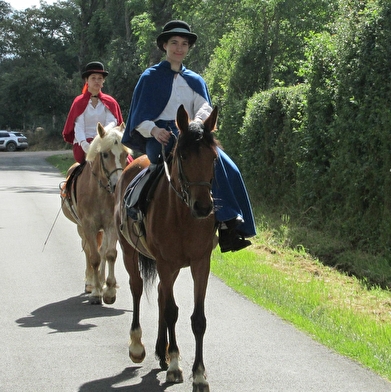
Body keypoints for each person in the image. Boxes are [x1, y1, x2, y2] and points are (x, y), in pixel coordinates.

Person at [121, 20, 256, 252]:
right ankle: (138, 208)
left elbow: (204, 107)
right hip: (160, 136)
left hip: (191, 134)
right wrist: (154, 130)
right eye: (174, 43)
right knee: (155, 163)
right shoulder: (149, 77)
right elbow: (138, 116)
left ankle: (229, 222)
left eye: (184, 44)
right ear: (164, 45)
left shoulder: (196, 80)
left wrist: (197, 123)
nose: (179, 48)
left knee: (227, 165)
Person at [62, 61, 124, 163]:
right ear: (87, 80)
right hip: (84, 144)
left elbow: (112, 122)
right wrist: (85, 144)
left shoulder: (110, 102)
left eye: (100, 78)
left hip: (106, 143)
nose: (97, 81)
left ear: (103, 81)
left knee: (127, 162)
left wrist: (101, 138)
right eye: (93, 78)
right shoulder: (79, 102)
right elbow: (79, 126)